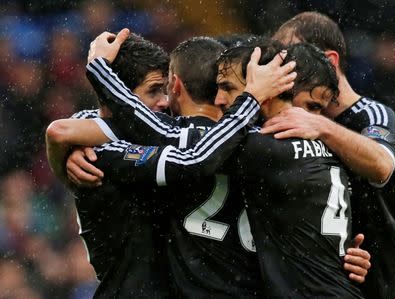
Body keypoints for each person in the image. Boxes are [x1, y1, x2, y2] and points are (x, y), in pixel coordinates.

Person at [85, 38, 365, 298]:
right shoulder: (330, 148)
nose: (221, 99)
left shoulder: (257, 146)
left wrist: (98, 74)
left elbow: (194, 155)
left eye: (230, 88)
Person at [264, 11, 395, 299]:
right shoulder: (288, 119)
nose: (280, 67)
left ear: (330, 61)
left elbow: (381, 164)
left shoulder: (373, 116)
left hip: (388, 287)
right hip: (331, 285)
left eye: (289, 56)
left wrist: (321, 126)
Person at [46, 30, 172, 298]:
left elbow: (63, 131)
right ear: (116, 95)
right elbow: (58, 131)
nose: (165, 101)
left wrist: (68, 149)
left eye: (165, 89)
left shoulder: (87, 138)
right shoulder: (102, 156)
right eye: (153, 91)